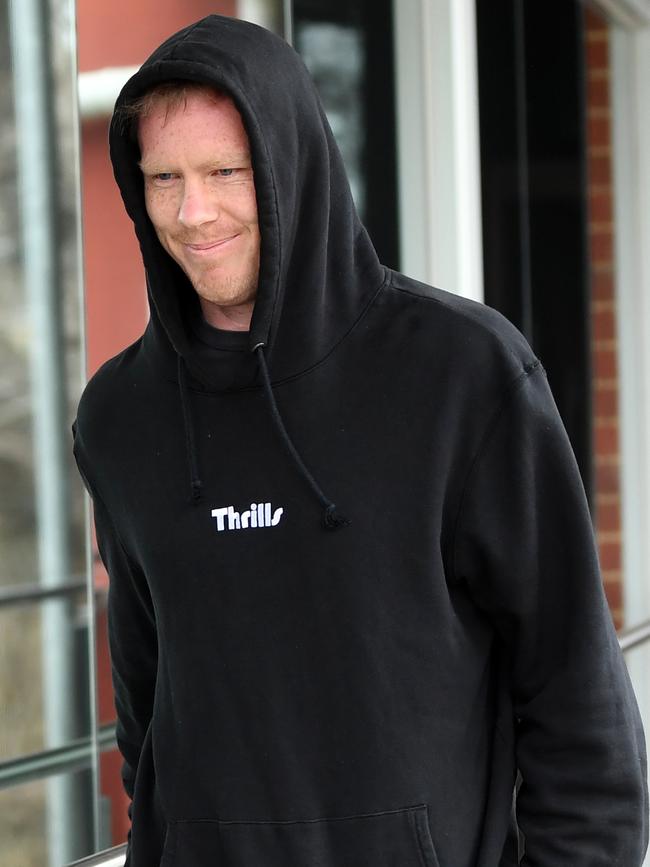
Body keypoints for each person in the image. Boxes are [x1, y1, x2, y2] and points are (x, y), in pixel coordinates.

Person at [72, 14, 648, 867]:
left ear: (288, 165)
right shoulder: (120, 419)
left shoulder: (462, 376)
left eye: (225, 171)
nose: (193, 213)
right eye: (164, 178)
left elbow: (578, 708)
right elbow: (151, 723)